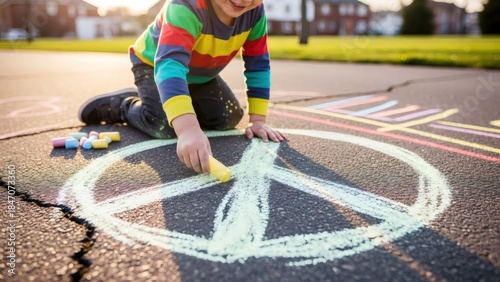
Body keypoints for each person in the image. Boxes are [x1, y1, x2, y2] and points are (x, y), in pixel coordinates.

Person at [78, 0, 284, 175]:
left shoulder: (255, 13)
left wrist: (258, 120)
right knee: (163, 125)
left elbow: (258, 64)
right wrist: (188, 129)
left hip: (200, 74)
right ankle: (124, 105)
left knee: (228, 118)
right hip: (154, 65)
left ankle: (172, 100)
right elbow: (170, 66)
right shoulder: (185, 6)